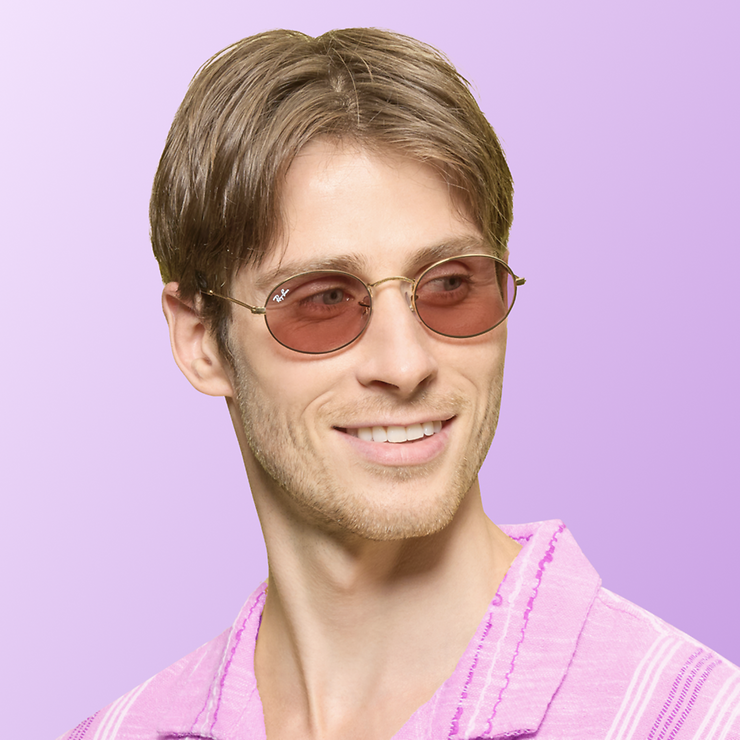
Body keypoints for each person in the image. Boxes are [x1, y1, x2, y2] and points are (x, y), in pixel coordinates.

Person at [59, 27, 740, 740]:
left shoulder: (694, 721)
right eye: (323, 299)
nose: (406, 363)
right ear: (202, 341)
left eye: (450, 285)